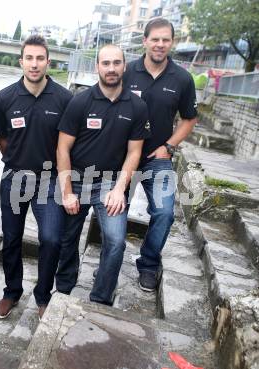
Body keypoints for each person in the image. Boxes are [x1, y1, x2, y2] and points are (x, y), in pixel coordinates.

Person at [55, 44, 150, 305]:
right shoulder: (80, 102)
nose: (111, 68)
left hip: (110, 183)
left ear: (124, 67)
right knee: (66, 238)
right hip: (76, 179)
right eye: (105, 63)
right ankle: (63, 290)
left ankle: (100, 299)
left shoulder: (137, 106)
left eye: (116, 63)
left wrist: (119, 189)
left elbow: (134, 153)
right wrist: (67, 192)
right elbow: (63, 148)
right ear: (97, 67)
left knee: (116, 242)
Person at [0, 35, 72, 319]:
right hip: (15, 178)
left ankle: (42, 296)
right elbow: (2, 139)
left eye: (40, 58)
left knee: (51, 239)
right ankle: (11, 292)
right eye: (29, 58)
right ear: (21, 61)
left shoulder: (64, 98)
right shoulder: (5, 97)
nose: (34, 64)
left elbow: (69, 143)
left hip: (49, 181)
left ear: (48, 62)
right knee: (11, 238)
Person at [123, 18, 198, 292]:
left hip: (158, 159)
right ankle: (109, 260)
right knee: (113, 209)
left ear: (172, 43)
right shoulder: (127, 72)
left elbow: (190, 119)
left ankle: (149, 263)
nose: (160, 44)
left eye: (166, 39)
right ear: (145, 41)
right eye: (155, 39)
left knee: (165, 213)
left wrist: (168, 147)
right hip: (124, 158)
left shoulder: (182, 79)